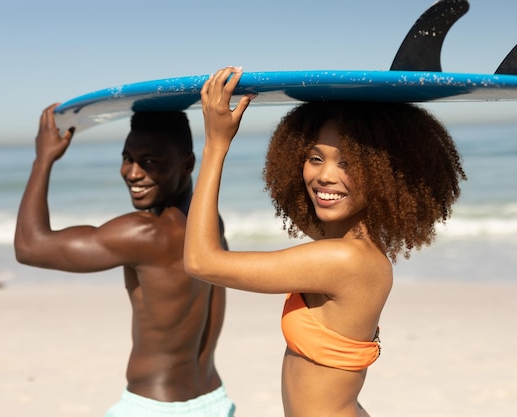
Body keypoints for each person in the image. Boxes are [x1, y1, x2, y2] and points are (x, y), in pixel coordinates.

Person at [184, 67, 467, 416]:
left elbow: (200, 261)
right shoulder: (347, 245)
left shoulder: (344, 260)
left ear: (385, 173)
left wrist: (216, 144)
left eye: (347, 163)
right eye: (315, 158)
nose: (324, 176)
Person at [14, 104, 235, 417]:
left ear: (187, 165)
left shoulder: (144, 233)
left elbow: (29, 246)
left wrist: (43, 159)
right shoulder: (211, 225)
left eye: (150, 162)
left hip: (155, 407)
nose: (133, 173)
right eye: (127, 158)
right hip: (214, 401)